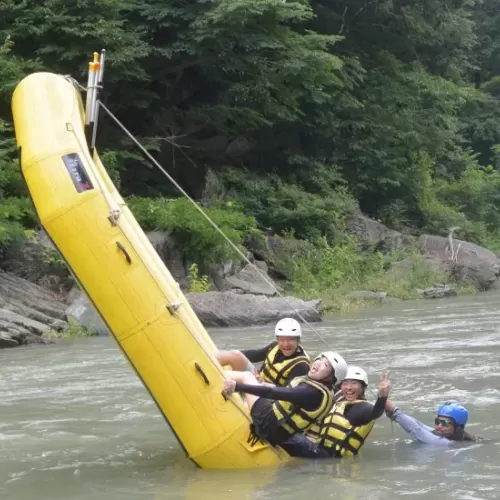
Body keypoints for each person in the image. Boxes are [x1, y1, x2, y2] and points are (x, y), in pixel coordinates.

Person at [222, 351, 348, 446]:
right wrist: (263, 384)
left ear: (331, 378)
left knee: (247, 376)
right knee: (256, 382)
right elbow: (284, 392)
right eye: (319, 360)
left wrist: (237, 386)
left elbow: (272, 393)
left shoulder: (311, 393)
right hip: (278, 430)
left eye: (325, 365)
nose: (318, 364)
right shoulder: (320, 390)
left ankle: (218, 377)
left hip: (267, 423)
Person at [279, 366, 391, 458]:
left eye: (354, 383)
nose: (349, 387)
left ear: (363, 387)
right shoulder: (340, 402)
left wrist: (382, 396)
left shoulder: (362, 407)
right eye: (345, 383)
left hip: (326, 455)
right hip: (319, 449)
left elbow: (376, 412)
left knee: (284, 433)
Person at [216, 317, 310, 387]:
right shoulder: (275, 346)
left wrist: (262, 384)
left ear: (297, 340)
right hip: (258, 381)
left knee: (246, 376)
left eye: (290, 340)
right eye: (281, 340)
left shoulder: (301, 366)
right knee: (235, 355)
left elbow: (288, 393)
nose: (285, 344)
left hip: (268, 396)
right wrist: (229, 355)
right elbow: (256, 355)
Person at [384, 400, 477, 444]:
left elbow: (416, 430)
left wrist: (394, 411)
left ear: (458, 428)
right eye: (437, 421)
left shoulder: (445, 443)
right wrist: (395, 414)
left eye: (445, 423)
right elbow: (419, 425)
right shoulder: (446, 435)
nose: (439, 426)